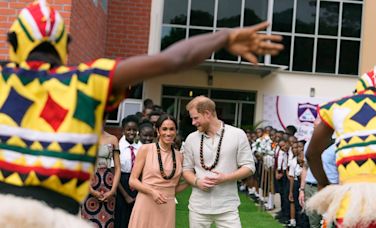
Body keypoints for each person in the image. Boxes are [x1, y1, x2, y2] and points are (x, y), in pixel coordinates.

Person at [0, 0, 283, 226]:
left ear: (13, 43)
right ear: (65, 46)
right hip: (58, 217)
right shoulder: (89, 81)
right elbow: (175, 58)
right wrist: (224, 35)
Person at [305, 68, 376, 227]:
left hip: (352, 204)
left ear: (358, 90)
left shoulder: (339, 107)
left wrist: (324, 184)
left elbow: (312, 154)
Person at [182, 96, 255, 228]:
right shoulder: (191, 139)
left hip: (228, 206)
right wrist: (197, 182)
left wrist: (226, 178)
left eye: (195, 118)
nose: (193, 122)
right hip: (198, 207)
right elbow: (186, 170)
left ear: (207, 114)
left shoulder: (237, 134)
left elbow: (249, 167)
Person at [128, 114, 189, 228]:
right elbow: (133, 180)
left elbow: (173, 188)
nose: (168, 133)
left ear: (176, 131)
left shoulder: (179, 156)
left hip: (167, 206)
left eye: (172, 129)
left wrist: (191, 181)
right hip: (146, 202)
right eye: (164, 129)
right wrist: (152, 192)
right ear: (158, 131)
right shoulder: (146, 149)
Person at [298, 117, 338, 228]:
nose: (315, 130)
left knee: (329, 223)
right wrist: (302, 189)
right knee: (314, 223)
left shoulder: (337, 145)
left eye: (317, 127)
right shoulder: (309, 144)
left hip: (330, 189)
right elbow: (305, 167)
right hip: (310, 188)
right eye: (314, 127)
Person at [81, 131, 121, 227]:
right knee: (87, 222)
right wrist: (91, 190)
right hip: (89, 184)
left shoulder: (113, 139)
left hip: (108, 186)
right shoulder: (85, 137)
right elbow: (80, 166)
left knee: (107, 221)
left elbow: (118, 167)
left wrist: (112, 191)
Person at [114, 115, 140, 228]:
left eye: (134, 129)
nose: (132, 132)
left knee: (134, 218)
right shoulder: (118, 147)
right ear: (123, 130)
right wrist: (126, 196)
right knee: (121, 218)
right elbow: (115, 172)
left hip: (137, 184)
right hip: (122, 185)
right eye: (128, 129)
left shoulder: (140, 147)